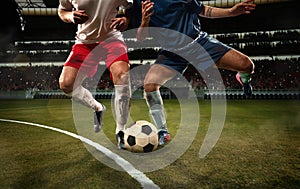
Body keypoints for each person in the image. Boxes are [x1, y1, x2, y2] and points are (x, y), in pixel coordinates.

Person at [132, 0, 256, 146]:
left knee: (247, 65)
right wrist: (145, 20)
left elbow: (203, 10)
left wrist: (231, 12)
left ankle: (244, 80)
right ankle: (162, 131)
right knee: (150, 85)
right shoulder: (138, 2)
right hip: (172, 53)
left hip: (197, 43)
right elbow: (140, 38)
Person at [58, 0, 133, 149]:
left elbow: (130, 8)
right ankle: (98, 107)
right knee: (66, 84)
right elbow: (62, 11)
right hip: (84, 42)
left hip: (111, 38)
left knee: (123, 77)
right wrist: (71, 16)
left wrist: (125, 19)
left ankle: (121, 130)